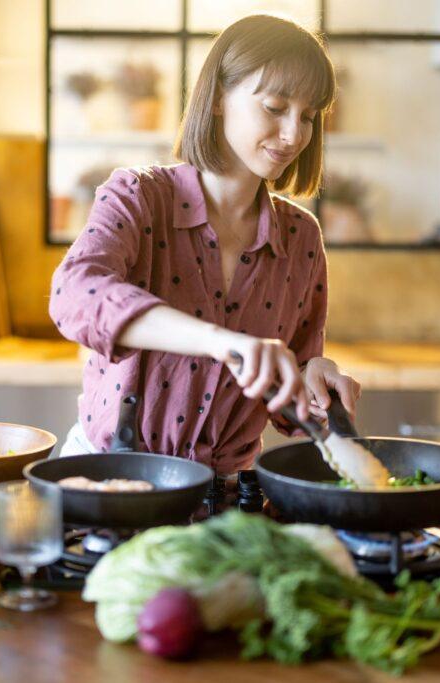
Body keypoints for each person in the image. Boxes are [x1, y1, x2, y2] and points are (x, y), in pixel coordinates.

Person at [49, 14, 361, 474]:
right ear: (217, 98)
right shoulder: (138, 197)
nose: (295, 134)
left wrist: (313, 378)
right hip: (112, 483)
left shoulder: (302, 238)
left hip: (224, 498)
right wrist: (219, 341)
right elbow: (74, 293)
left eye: (309, 116)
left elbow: (286, 405)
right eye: (275, 107)